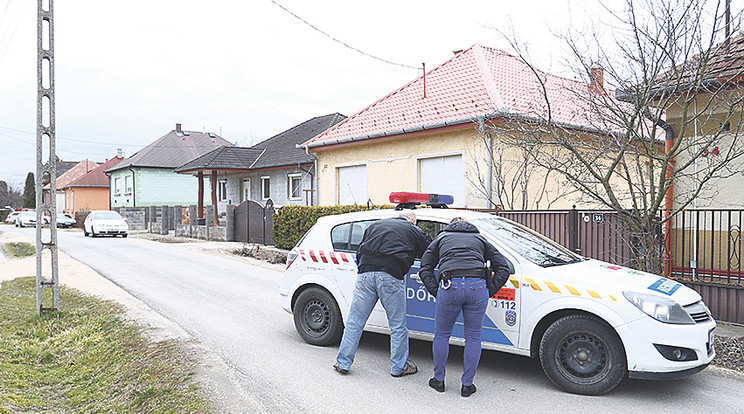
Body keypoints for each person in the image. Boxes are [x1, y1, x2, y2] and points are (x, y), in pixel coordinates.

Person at [419, 217, 510, 397]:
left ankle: (438, 381)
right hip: (477, 287)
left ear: (450, 226)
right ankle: (467, 386)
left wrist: (437, 291)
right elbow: (503, 268)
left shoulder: (441, 239)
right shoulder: (480, 239)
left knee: (442, 335)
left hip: (449, 285)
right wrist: (488, 290)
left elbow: (425, 268)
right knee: (474, 337)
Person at [334, 210, 430, 377]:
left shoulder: (376, 225)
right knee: (397, 325)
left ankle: (343, 363)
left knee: (355, 321)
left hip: (365, 273)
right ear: (413, 220)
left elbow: (360, 250)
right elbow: (428, 252)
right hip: (390, 275)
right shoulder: (412, 229)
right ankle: (399, 367)